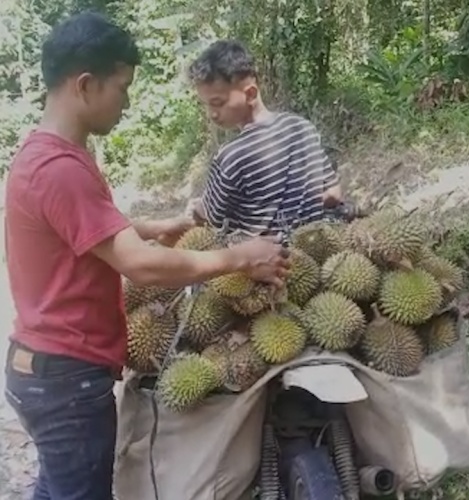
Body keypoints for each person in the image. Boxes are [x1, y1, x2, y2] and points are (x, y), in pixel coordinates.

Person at [3, 12, 289, 500]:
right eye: (122, 86)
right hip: (66, 381)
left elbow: (82, 229)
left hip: (47, 371)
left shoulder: (45, 155)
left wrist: (153, 227)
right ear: (87, 85)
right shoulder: (60, 169)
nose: (129, 101)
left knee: (56, 488)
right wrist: (240, 257)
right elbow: (141, 265)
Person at [188, 39, 343, 235]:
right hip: (315, 246)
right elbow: (333, 194)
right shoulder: (302, 127)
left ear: (251, 94)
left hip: (265, 260)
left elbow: (213, 218)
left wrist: (198, 207)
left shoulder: (231, 155)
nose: (212, 113)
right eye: (206, 104)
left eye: (218, 103)